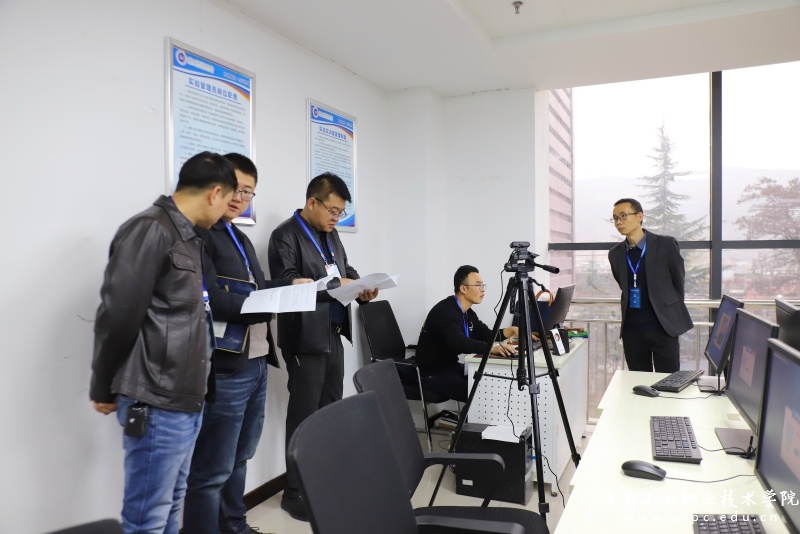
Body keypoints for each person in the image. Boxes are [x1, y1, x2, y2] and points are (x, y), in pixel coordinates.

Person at [90, 152, 237, 534]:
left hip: (185, 398)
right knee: (148, 517)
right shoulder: (150, 229)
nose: (227, 210)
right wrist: (103, 386)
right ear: (215, 193)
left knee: (172, 504)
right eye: (227, 200)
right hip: (156, 400)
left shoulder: (188, 236)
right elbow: (117, 316)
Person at [183, 154, 313, 534]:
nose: (240, 198)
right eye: (237, 189)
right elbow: (212, 301)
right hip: (226, 366)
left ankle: (234, 525)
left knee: (240, 456)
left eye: (249, 193)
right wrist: (270, 304)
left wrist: (288, 286)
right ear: (218, 187)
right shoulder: (201, 235)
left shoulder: (239, 237)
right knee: (212, 468)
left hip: (256, 361)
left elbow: (254, 287)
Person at [267, 172, 378, 522]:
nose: (336, 218)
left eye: (341, 213)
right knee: (303, 416)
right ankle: (295, 491)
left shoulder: (331, 235)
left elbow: (345, 270)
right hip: (304, 338)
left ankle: (324, 479)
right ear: (312, 202)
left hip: (333, 333)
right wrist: (336, 283)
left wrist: (361, 286)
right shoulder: (285, 235)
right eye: (332, 211)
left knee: (331, 411)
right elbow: (286, 284)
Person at [608, 198, 694, 372]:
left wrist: (669, 312)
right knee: (639, 383)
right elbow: (624, 286)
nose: (618, 222)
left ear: (639, 216)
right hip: (632, 332)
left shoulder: (666, 245)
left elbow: (678, 282)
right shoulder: (615, 254)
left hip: (664, 328)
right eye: (615, 218)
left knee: (668, 382)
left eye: (623, 216)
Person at [414, 265, 518, 402]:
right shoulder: (444, 312)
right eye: (478, 285)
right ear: (463, 288)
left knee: (489, 383)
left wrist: (512, 330)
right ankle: (469, 417)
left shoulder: (468, 313)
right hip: (431, 373)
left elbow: (487, 335)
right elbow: (459, 342)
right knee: (478, 394)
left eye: (483, 285)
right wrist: (492, 349)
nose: (483, 290)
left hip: (451, 368)